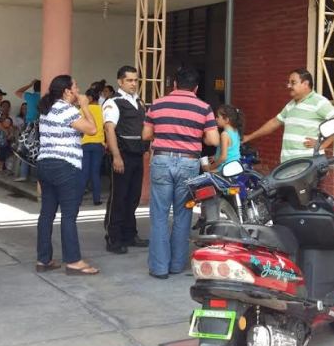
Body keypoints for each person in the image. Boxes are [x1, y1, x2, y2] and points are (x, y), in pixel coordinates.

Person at [141, 67, 219, 279]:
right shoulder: (204, 107)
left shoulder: (157, 104)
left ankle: (159, 268)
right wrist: (195, 136)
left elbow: (146, 134)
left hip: (162, 160)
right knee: (183, 215)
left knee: (159, 215)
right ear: (196, 87)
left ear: (174, 85)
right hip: (188, 163)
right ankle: (177, 265)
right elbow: (213, 140)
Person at [35, 75, 99, 276]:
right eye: (76, 87)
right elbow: (92, 129)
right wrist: (85, 106)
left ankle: (43, 259)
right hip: (65, 166)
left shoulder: (47, 109)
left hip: (45, 164)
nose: (78, 91)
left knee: (47, 213)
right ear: (67, 91)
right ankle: (73, 261)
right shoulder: (67, 109)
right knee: (69, 215)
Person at [243, 68, 334, 163]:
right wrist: (249, 137)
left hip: (308, 164)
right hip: (287, 163)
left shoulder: (318, 101)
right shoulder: (290, 105)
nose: (289, 86)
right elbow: (274, 122)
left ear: (305, 84)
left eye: (293, 83)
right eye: (288, 83)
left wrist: (322, 145)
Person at [102, 65, 149, 254]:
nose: (133, 84)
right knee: (118, 198)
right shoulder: (113, 102)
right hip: (122, 156)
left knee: (133, 197)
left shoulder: (139, 102)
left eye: (136, 80)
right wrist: (116, 156)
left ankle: (130, 234)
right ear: (120, 81)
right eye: (129, 80)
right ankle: (113, 237)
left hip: (137, 156)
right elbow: (109, 129)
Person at [81, 83, 106, 205]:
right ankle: (97, 199)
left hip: (85, 143)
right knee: (95, 173)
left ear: (90, 98)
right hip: (98, 144)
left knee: (84, 172)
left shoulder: (83, 110)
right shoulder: (102, 110)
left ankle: (78, 199)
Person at [204, 104, 243, 173]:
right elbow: (230, 150)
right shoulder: (235, 131)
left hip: (225, 168)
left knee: (205, 174)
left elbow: (223, 157)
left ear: (226, 120)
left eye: (218, 117)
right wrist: (216, 156)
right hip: (235, 165)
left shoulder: (224, 134)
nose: (216, 119)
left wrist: (210, 168)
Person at [15, 80, 40, 181]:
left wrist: (29, 84)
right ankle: (36, 177)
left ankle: (24, 175)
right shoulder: (47, 97)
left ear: (34, 88)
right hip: (42, 126)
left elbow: (17, 92)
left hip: (30, 125)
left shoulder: (30, 96)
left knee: (25, 149)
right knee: (39, 150)